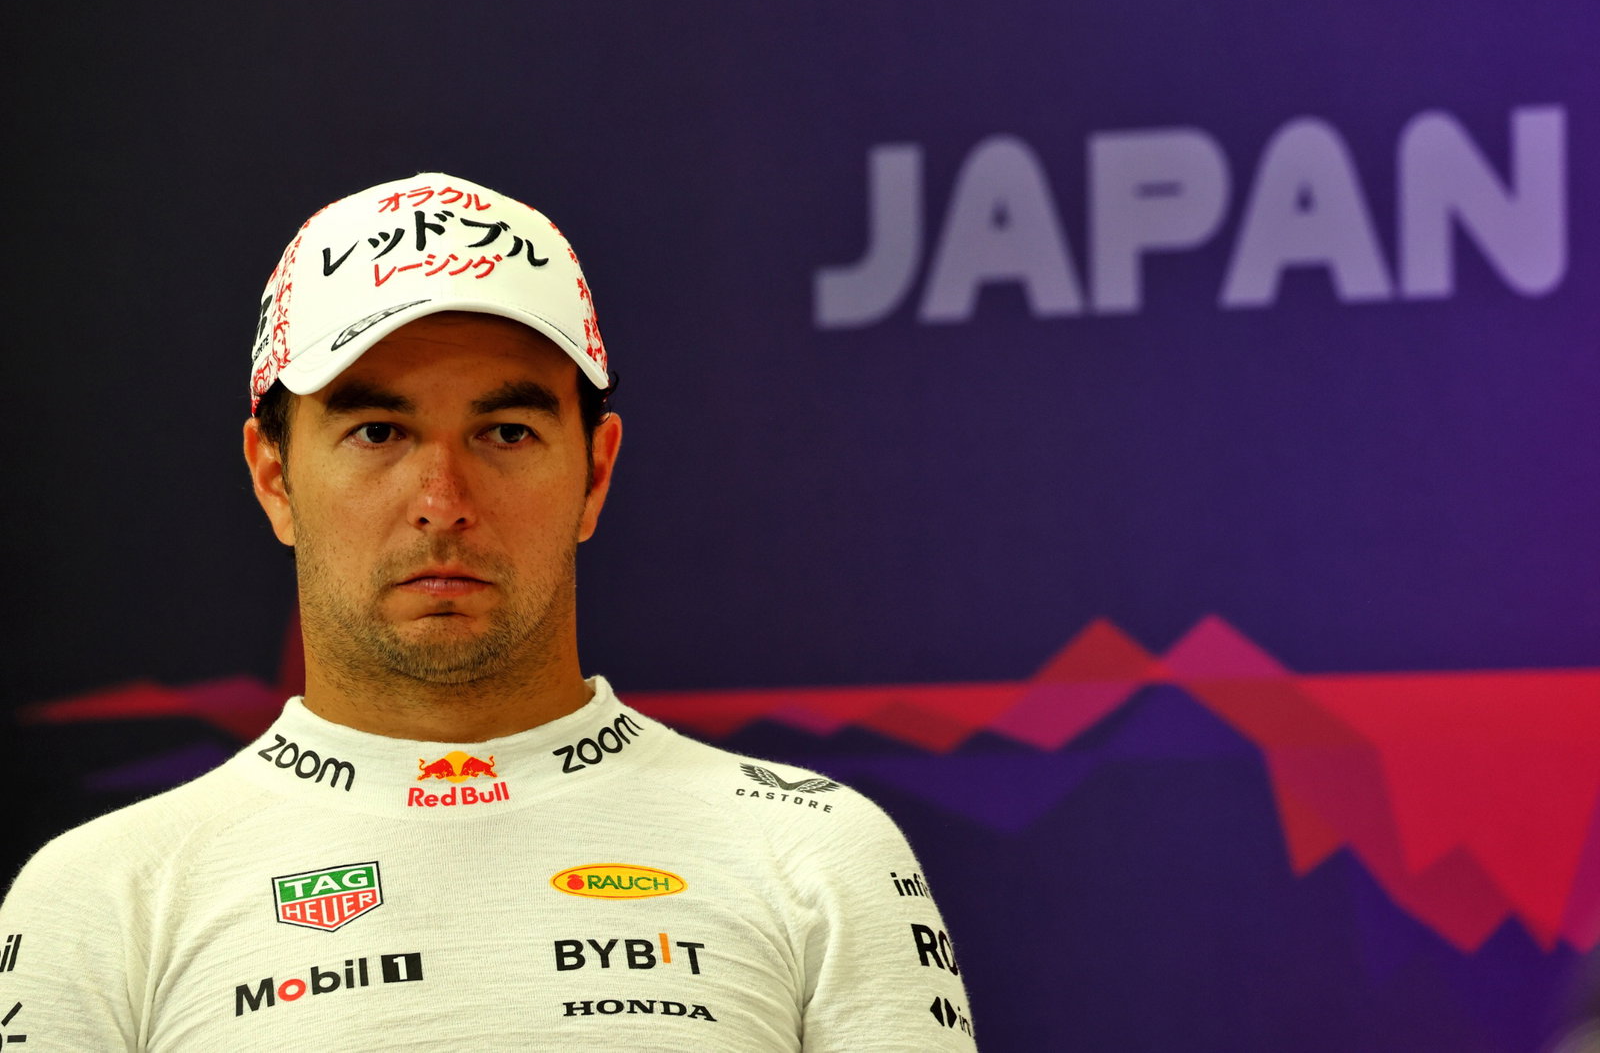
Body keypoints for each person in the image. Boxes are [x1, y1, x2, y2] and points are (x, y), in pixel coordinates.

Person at [0, 173, 974, 1050]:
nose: (443, 499)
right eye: (377, 431)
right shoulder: (99, 900)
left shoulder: (814, 853)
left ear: (595, 473)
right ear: (273, 478)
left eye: (506, 431)